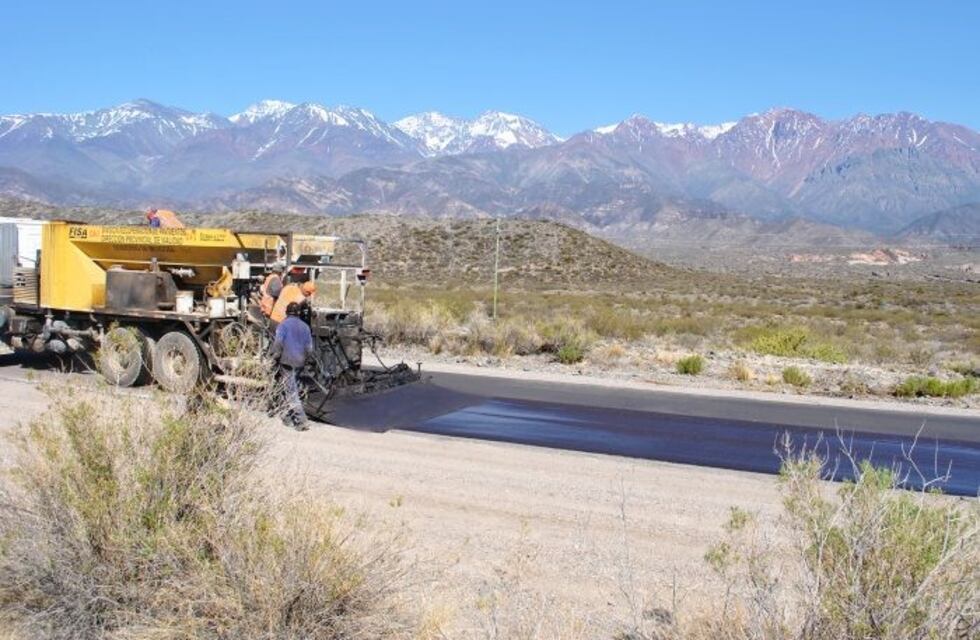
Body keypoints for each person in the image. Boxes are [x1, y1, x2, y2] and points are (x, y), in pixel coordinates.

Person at [270, 302, 313, 430]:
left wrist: (273, 357)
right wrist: (307, 360)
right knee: (290, 387)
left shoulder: (283, 325)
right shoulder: (305, 327)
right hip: (300, 361)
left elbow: (278, 344)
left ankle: (301, 421)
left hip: (287, 362)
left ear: (287, 312)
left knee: (291, 391)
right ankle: (287, 417)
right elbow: (310, 348)